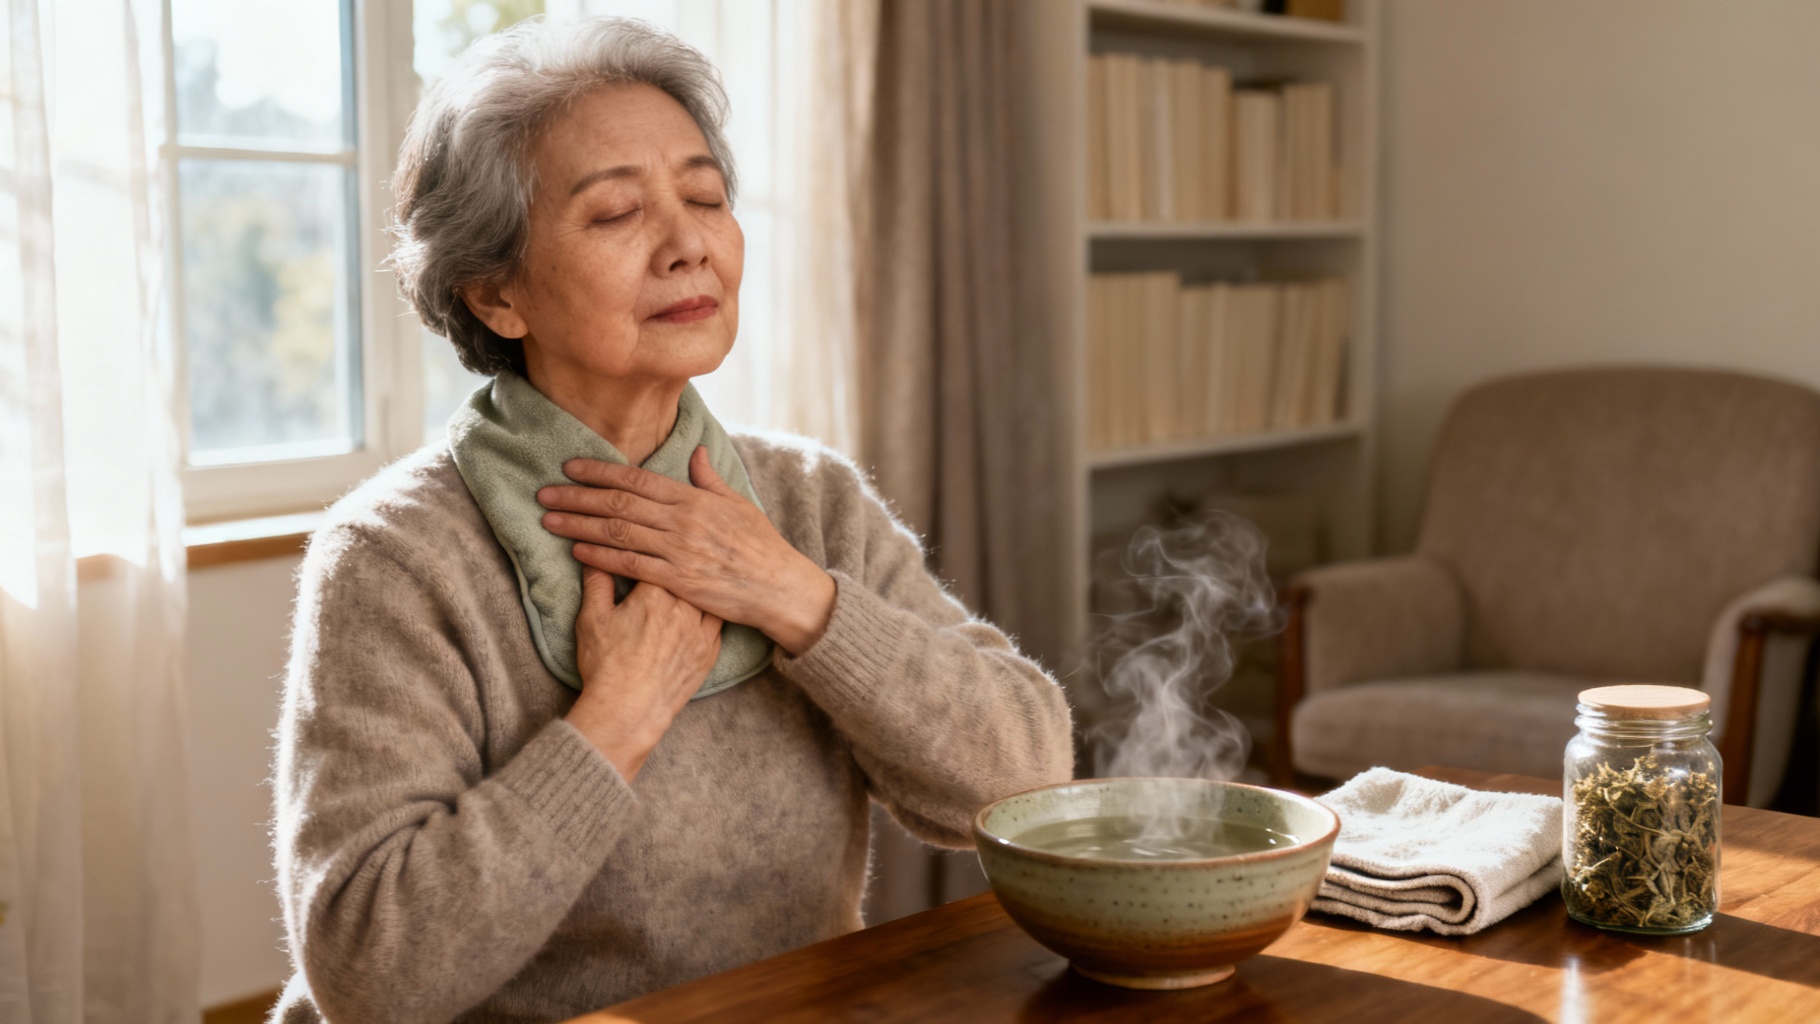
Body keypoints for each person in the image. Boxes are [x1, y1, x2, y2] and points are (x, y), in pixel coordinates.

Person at [270, 17, 1073, 1024]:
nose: (689, 244)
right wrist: (618, 717)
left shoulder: (809, 498)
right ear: (496, 294)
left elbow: (1025, 783)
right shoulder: (394, 553)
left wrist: (797, 596)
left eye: (705, 198)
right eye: (615, 212)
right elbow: (371, 973)